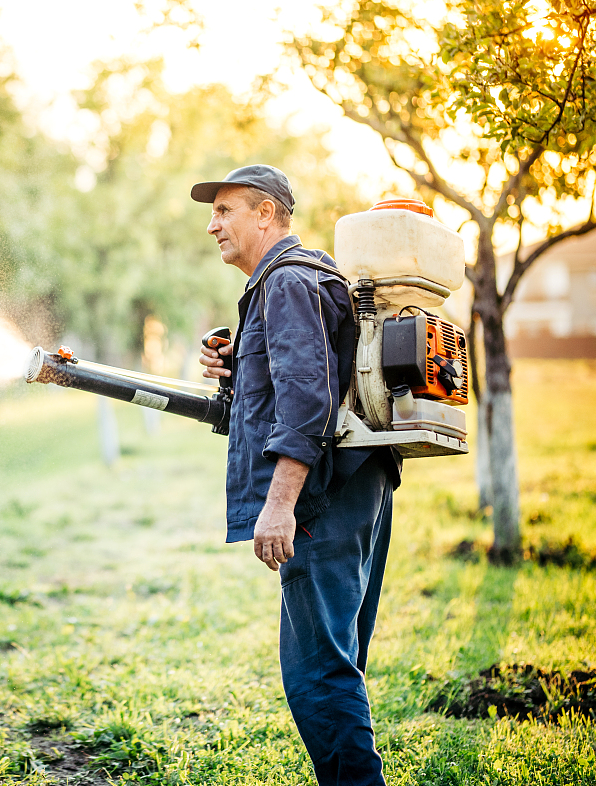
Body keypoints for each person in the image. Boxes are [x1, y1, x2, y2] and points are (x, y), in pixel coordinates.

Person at [193, 165, 401, 785]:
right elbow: (306, 381)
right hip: (360, 485)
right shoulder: (304, 278)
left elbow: (308, 401)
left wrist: (280, 503)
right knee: (337, 663)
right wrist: (239, 370)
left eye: (224, 211)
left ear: (265, 214)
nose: (212, 226)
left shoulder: (284, 282)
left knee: (317, 673)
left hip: (321, 500)